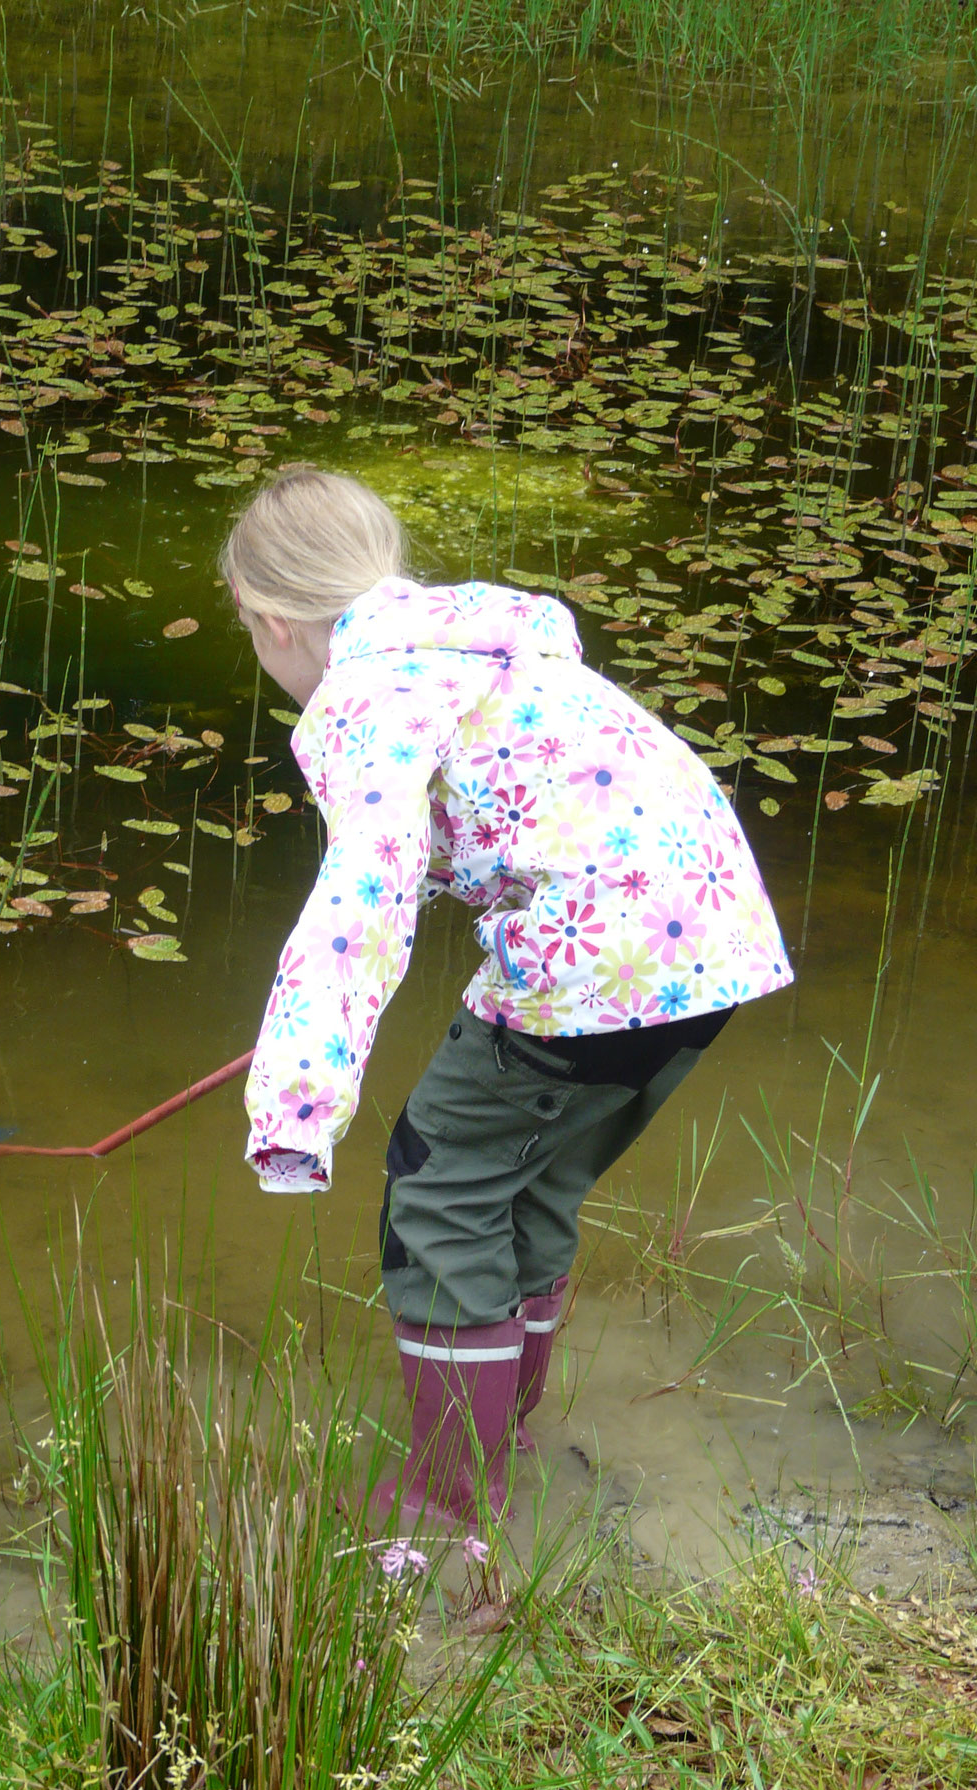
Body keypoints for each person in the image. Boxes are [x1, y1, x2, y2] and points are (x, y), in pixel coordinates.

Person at [222, 466, 792, 1534]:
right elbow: (512, 802)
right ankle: (504, 1440)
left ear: (272, 620)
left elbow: (361, 896)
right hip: (718, 940)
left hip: (601, 958)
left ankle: (445, 1500)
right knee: (530, 1183)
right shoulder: (482, 641)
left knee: (439, 1188)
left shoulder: (358, 693)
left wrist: (299, 1096)